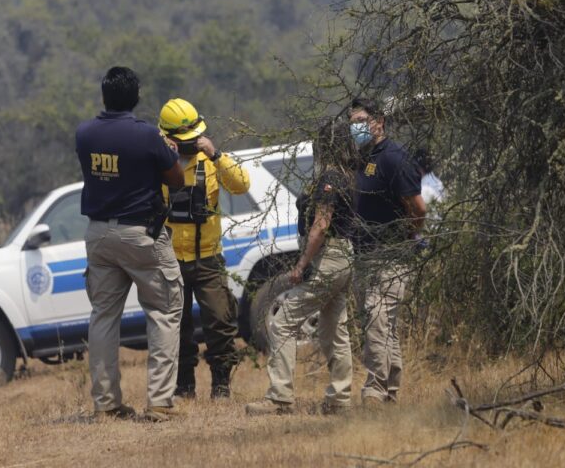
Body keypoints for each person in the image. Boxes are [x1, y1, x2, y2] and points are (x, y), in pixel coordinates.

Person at [75, 67, 185, 422]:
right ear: (136, 96)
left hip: (98, 235)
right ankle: (159, 402)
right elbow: (177, 179)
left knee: (103, 317)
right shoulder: (147, 135)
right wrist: (168, 152)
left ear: (104, 95)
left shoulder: (84, 134)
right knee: (163, 312)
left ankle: (106, 404)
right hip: (141, 235)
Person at [245, 120, 356, 416]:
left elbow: (321, 226)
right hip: (344, 258)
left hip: (328, 258)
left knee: (281, 323)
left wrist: (301, 265)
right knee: (335, 330)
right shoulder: (348, 176)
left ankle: (279, 397)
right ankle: (340, 399)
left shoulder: (329, 178)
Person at [158, 98, 250, 399]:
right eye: (184, 139)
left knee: (220, 321)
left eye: (195, 137)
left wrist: (216, 154)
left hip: (208, 258)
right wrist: (161, 156)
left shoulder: (210, 161)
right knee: (177, 327)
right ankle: (184, 385)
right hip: (171, 260)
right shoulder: (157, 163)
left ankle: (221, 384)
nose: (191, 144)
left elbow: (241, 185)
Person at [349, 97, 427, 407]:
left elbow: (418, 208)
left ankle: (375, 389)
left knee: (376, 318)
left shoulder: (395, 159)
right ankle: (390, 391)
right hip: (364, 255)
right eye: (352, 123)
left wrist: (407, 235)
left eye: (361, 121)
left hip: (390, 255)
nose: (356, 128)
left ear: (379, 122)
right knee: (384, 324)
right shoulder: (362, 158)